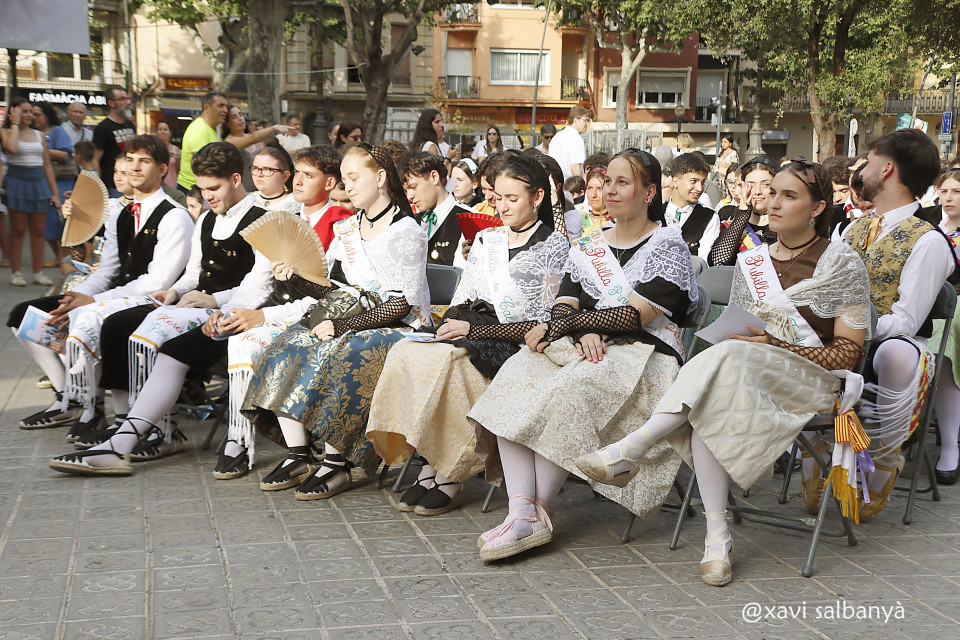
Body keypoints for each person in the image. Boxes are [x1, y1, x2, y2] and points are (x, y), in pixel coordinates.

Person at [577, 159, 870, 586]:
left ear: (818, 207)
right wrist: (753, 344)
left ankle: (633, 449)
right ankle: (717, 538)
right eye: (772, 193)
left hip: (813, 382)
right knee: (716, 390)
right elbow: (739, 332)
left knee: (724, 370)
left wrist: (776, 346)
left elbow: (847, 355)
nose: (772, 202)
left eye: (788, 195)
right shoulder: (754, 262)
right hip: (746, 376)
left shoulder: (842, 263)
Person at [466, 149, 698, 562]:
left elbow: (633, 317)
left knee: (567, 392)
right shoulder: (591, 244)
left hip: (643, 355)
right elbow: (564, 303)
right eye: (607, 181)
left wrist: (579, 324)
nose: (610, 190)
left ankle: (535, 512)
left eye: (623, 182)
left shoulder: (668, 246)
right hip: (583, 345)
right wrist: (580, 327)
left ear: (649, 192)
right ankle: (522, 510)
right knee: (517, 372)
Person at [49, 141, 274, 475]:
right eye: (202, 189)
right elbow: (194, 274)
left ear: (236, 179)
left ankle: (141, 437)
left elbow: (260, 286)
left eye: (214, 188)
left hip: (237, 312)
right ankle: (142, 430)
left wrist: (215, 300)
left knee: (163, 343)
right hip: (197, 306)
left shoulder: (264, 220)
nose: (207, 197)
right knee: (121, 324)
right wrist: (174, 291)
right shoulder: (207, 219)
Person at [366, 154, 569, 515]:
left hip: (516, 342)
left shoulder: (554, 247)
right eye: (498, 198)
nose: (502, 207)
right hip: (472, 327)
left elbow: (543, 324)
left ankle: (450, 473)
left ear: (537, 197)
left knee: (452, 365)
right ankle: (429, 460)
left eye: (513, 199)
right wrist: (448, 327)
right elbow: (464, 297)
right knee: (407, 352)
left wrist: (472, 330)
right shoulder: (488, 239)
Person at [241, 143, 430, 499]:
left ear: (380, 177)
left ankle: (336, 462)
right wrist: (295, 278)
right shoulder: (347, 228)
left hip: (399, 325)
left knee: (339, 352)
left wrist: (341, 327)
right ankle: (299, 454)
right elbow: (332, 288)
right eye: (345, 180)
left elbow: (402, 304)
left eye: (354, 178)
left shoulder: (406, 230)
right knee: (286, 344)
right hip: (351, 315)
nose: (348, 187)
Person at [7, 135, 193, 435]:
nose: (134, 167)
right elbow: (107, 270)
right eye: (130, 160)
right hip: (118, 294)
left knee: (91, 317)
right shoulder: (121, 213)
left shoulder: (175, 215)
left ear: (162, 169)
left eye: (144, 161)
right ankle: (67, 396)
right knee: (23, 314)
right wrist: (78, 294)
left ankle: (98, 411)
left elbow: (158, 281)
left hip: (154, 300)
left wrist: (92, 301)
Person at [215, 145, 355, 479]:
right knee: (238, 338)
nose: (298, 181)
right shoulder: (285, 218)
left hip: (321, 315)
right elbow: (259, 280)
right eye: (298, 173)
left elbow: (333, 295)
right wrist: (230, 310)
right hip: (282, 308)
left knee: (261, 343)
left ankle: (293, 448)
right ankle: (240, 437)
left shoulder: (341, 224)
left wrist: (264, 317)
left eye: (309, 175)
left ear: (329, 182)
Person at [837, 129, 956, 518]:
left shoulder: (928, 240)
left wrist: (854, 327)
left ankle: (886, 456)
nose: (862, 170)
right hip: (836, 343)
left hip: (885, 351)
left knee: (897, 351)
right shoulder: (853, 228)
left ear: (887, 169)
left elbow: (906, 321)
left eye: (869, 162)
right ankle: (814, 456)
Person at [1, 97, 61, 287]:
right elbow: (11, 148)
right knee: (17, 230)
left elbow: (47, 165)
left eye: (31, 112)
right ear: (14, 112)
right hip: (17, 182)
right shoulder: (6, 131)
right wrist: (15, 123)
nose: (29, 115)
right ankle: (16, 273)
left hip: (39, 182)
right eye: (24, 111)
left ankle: (38, 272)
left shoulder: (39, 135)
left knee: (38, 230)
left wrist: (55, 193)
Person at [930, 168, 960, 485]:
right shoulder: (929, 228)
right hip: (930, 303)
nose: (949, 197)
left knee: (945, 335)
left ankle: (950, 444)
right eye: (944, 191)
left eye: (957, 191)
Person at [708, 156, 780, 266]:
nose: (757, 191)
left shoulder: (788, 223)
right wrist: (742, 213)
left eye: (766, 184)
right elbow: (717, 261)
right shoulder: (731, 217)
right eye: (750, 185)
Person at [400, 150, 469, 266]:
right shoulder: (412, 223)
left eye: (413, 187)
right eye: (406, 190)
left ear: (434, 177)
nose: (409, 196)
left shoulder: (468, 220)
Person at [32, 101, 74, 268]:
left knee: (61, 221)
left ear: (47, 115)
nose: (34, 118)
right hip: (40, 182)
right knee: (46, 223)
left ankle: (66, 259)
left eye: (38, 114)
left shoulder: (58, 131)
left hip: (60, 182)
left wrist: (41, 149)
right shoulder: (32, 133)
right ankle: (58, 257)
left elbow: (65, 154)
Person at [665, 153, 721, 259]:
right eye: (693, 181)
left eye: (702, 182)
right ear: (675, 182)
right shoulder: (656, 211)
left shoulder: (709, 217)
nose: (699, 188)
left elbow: (704, 261)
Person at [177, 91, 228, 192]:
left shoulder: (209, 129)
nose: (225, 110)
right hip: (192, 189)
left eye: (226, 106)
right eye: (221, 106)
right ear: (206, 107)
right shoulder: (199, 128)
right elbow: (203, 165)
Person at [92, 86, 136, 197]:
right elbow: (95, 159)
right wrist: (99, 186)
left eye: (127, 98)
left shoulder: (130, 125)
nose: (127, 102)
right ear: (111, 103)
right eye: (122, 99)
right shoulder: (103, 128)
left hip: (132, 183)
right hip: (113, 186)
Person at [410, 109, 460, 176]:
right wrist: (448, 158)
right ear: (428, 125)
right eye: (437, 122)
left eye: (441, 121)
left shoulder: (419, 144)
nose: (441, 125)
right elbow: (435, 173)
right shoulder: (431, 146)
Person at [250, 146, 299, 214]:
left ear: (285, 176)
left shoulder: (295, 205)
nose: (259, 174)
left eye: (267, 169)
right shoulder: (248, 201)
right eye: (255, 168)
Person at [548, 106, 591, 180]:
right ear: (575, 120)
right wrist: (579, 185)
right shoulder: (577, 139)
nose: (588, 124)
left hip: (555, 183)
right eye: (586, 120)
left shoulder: (557, 137)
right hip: (570, 184)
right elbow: (575, 167)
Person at [576, 168, 609, 233]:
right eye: (590, 188)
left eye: (600, 189)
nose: (593, 195)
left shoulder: (619, 221)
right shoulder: (578, 221)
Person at [154, 121, 181, 189]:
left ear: (170, 133)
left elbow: (178, 171)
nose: (163, 132)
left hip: (172, 183)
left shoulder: (176, 149)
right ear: (156, 132)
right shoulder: (153, 148)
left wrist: (177, 160)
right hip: (156, 184)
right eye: (160, 129)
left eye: (165, 129)